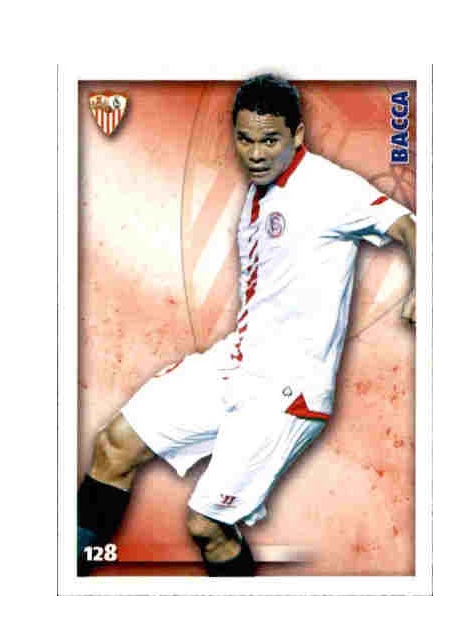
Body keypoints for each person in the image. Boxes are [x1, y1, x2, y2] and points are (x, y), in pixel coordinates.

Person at [77, 74, 416, 577]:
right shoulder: (262, 191)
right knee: (114, 444)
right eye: (245, 139)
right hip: (238, 362)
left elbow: (412, 226)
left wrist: (425, 288)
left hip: (288, 390)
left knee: (206, 525)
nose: (256, 154)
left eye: (270, 140)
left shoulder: (328, 187)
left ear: (297, 134)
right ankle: (67, 577)